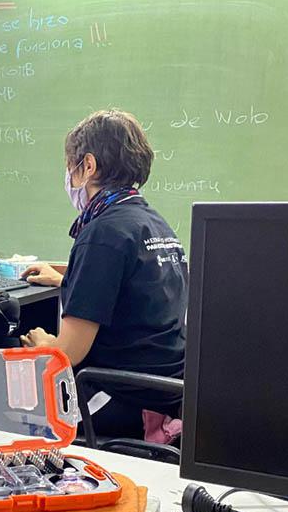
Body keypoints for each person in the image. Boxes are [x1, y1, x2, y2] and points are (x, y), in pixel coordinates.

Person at [21, 109, 188, 439]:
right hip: (164, 392)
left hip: (118, 397)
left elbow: (68, 353)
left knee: (13, 408)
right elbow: (134, 291)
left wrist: (43, 343)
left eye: (71, 166)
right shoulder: (152, 223)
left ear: (88, 166)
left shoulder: (103, 233)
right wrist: (66, 280)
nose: (69, 176)